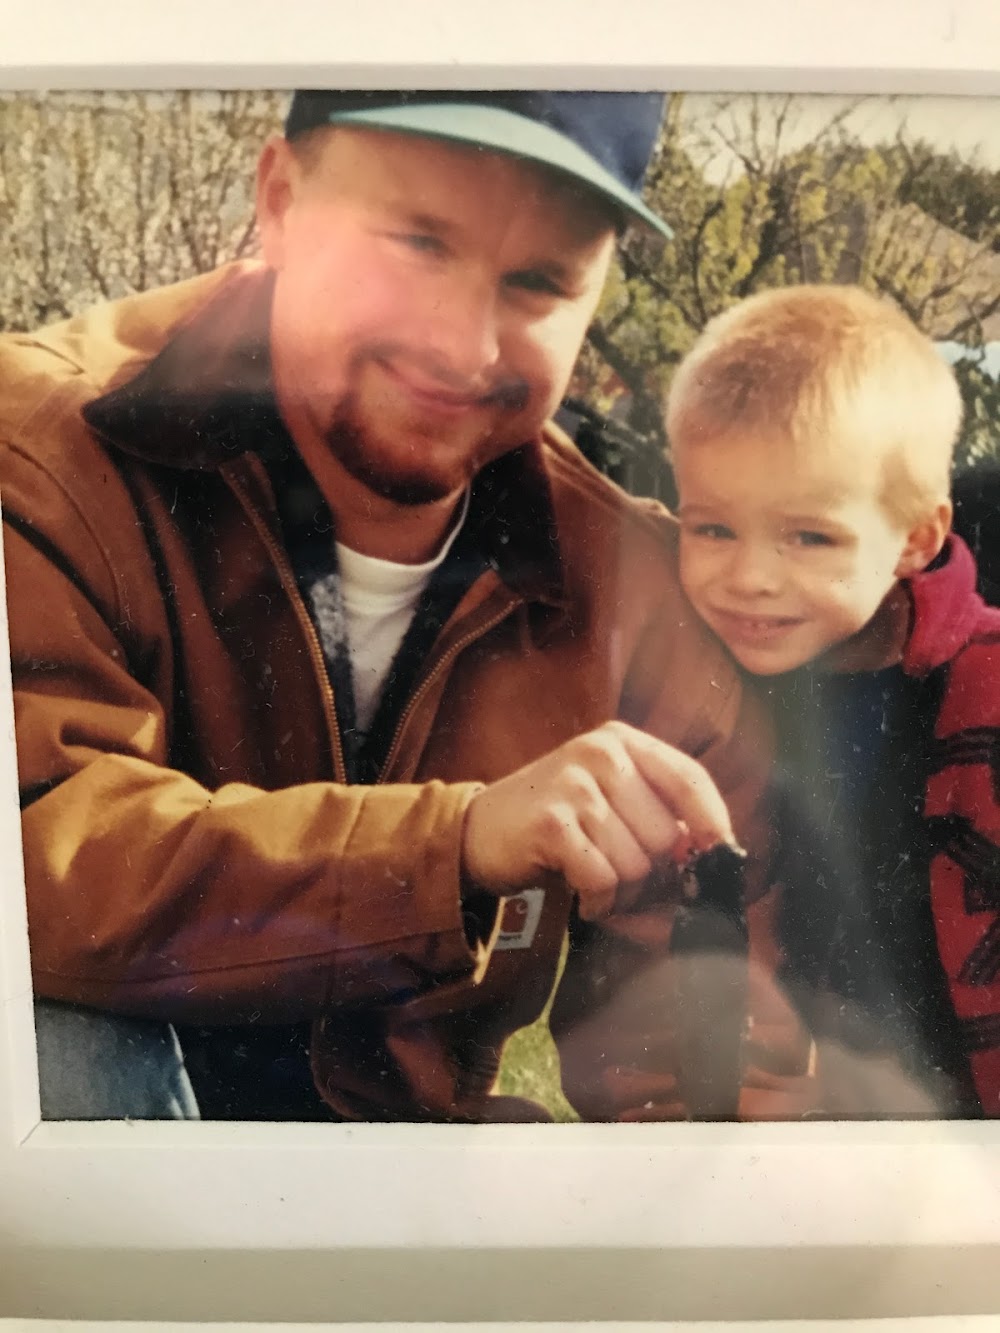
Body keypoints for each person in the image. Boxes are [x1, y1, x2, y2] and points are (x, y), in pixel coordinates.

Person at [1, 90, 782, 1123]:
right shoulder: (39, 447)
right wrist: (453, 844)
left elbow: (706, 1061)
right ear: (277, 199)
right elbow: (34, 863)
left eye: (538, 281)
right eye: (417, 242)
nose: (463, 346)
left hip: (408, 1214)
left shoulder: (635, 586)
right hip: (108, 1204)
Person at [667, 283, 1000, 1117]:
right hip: (776, 1136)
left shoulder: (984, 685)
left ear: (917, 538)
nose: (750, 576)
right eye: (712, 527)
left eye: (808, 536)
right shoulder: (692, 682)